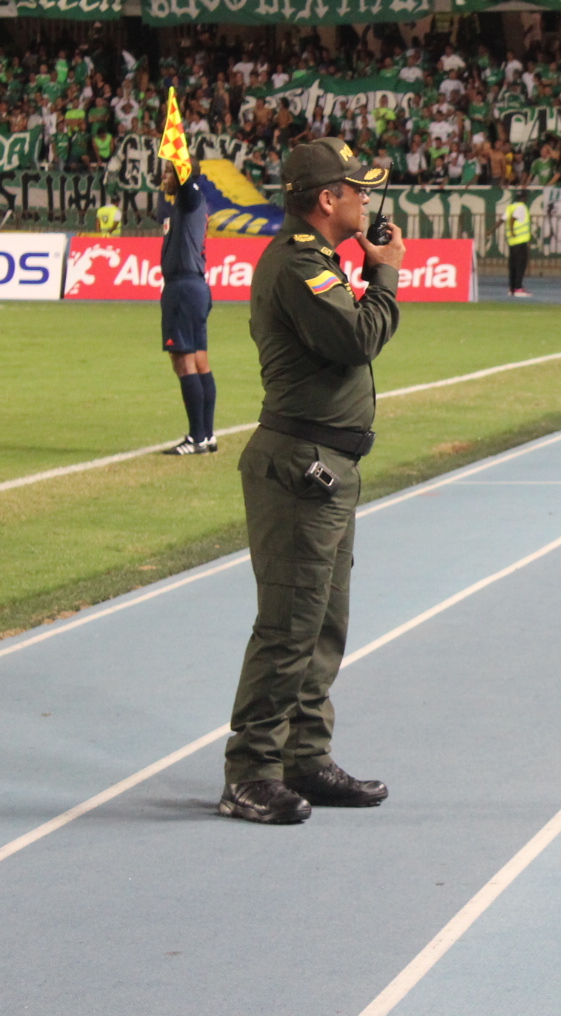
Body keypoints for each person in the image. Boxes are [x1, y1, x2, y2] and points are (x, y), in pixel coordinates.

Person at [219, 137, 401, 826]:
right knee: (290, 626)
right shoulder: (300, 265)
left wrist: (363, 264)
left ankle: (304, 757)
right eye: (358, 189)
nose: (366, 199)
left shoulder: (318, 259)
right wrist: (385, 274)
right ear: (328, 200)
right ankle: (252, 772)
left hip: (325, 466)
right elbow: (356, 340)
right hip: (303, 467)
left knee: (324, 624)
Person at [159, 160, 217, 456]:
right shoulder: (184, 204)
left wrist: (178, 163)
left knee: (183, 363)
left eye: (168, 172)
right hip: (194, 286)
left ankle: (196, 437)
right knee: (200, 361)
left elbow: (182, 180)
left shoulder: (190, 194)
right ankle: (206, 435)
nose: (163, 177)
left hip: (183, 288)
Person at [505, 189, 533, 298]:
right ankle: (518, 288)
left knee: (513, 265)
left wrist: (491, 230)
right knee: (520, 265)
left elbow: (503, 219)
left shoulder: (511, 207)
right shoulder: (521, 207)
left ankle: (512, 288)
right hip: (519, 240)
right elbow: (512, 219)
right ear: (524, 198)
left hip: (512, 242)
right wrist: (512, 232)